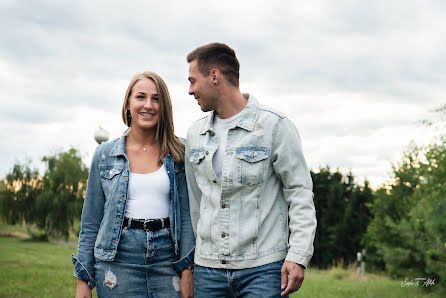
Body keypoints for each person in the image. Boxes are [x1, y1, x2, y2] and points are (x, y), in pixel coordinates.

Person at [184, 43, 317, 297]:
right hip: (207, 270)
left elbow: (300, 193)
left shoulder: (275, 127)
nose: (190, 90)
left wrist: (298, 255)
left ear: (214, 76)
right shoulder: (195, 134)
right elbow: (195, 204)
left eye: (192, 81)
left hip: (263, 269)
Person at [72, 71, 195, 298]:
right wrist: (83, 281)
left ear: (164, 106)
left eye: (156, 99)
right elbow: (90, 223)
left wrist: (187, 269)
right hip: (118, 261)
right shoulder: (105, 155)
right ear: (128, 103)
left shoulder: (180, 153)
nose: (148, 105)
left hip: (168, 261)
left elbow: (188, 218)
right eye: (141, 97)